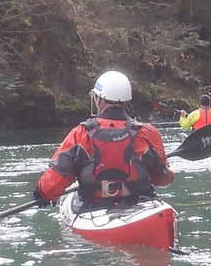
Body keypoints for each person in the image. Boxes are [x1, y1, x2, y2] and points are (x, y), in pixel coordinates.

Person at [34, 70, 175, 209]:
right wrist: (168, 169)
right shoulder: (147, 133)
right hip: (139, 205)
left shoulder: (81, 134)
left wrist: (41, 194)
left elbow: (54, 183)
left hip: (93, 207)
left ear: (98, 99)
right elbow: (162, 180)